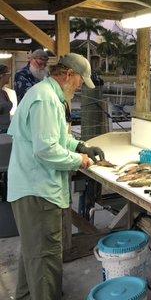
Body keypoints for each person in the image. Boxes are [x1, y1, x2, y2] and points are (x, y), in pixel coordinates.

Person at [7, 53, 105, 300]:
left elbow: (57, 138)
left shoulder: (48, 94)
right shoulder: (46, 99)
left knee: (33, 252)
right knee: (45, 258)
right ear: (69, 75)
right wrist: (79, 160)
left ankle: (25, 295)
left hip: (31, 187)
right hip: (37, 191)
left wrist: (80, 146)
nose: (81, 86)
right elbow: (46, 149)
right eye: (81, 80)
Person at [0, 64, 13, 133]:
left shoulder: (4, 92)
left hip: (7, 129)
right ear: (2, 75)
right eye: (8, 73)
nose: (10, 76)